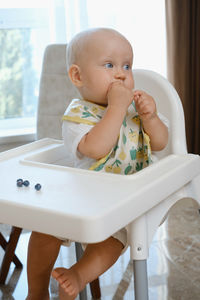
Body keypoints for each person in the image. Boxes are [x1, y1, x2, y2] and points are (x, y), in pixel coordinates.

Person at [26, 28, 168, 300]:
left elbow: (161, 142)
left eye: (127, 65)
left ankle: (79, 274)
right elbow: (96, 147)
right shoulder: (77, 116)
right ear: (78, 76)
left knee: (113, 242)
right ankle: (37, 291)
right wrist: (116, 109)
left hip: (126, 199)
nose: (121, 73)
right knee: (44, 226)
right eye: (109, 65)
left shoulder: (133, 108)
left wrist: (151, 118)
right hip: (85, 196)